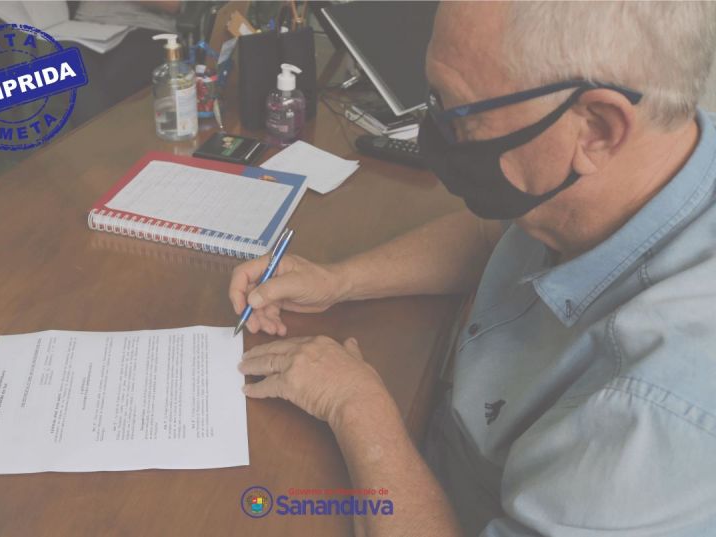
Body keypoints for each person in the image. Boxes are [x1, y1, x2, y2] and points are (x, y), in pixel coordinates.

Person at [229, 2, 716, 536]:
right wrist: (339, 281)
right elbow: (498, 234)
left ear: (597, 128)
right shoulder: (653, 162)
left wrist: (355, 406)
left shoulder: (660, 416)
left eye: (460, 115)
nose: (437, 135)